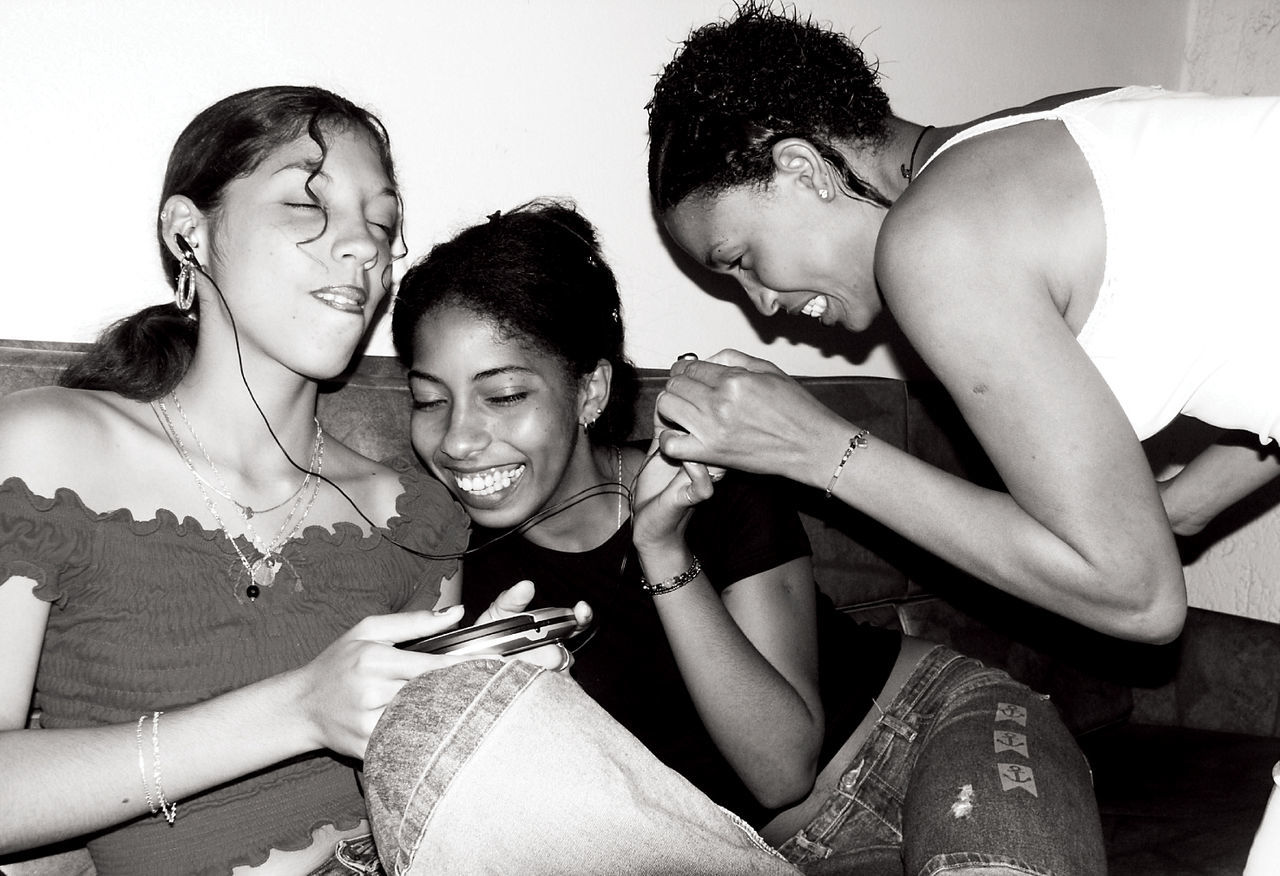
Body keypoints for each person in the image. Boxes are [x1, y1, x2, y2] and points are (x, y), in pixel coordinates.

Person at [386, 199, 1106, 874]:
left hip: (931, 732)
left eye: (504, 395)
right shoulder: (458, 568)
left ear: (590, 391)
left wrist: (664, 551)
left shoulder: (714, 478)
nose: (457, 439)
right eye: (429, 400)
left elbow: (781, 766)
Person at [0, 85, 557, 876]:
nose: (363, 246)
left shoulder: (413, 513)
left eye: (382, 222)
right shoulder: (48, 449)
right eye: (307, 203)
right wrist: (300, 709)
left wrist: (494, 712)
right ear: (188, 232)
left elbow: (429, 801)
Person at [645, 3, 1280, 646]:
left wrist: (812, 445)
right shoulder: (1040, 132)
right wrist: (1186, 505)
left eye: (742, 261)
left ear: (802, 170)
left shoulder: (933, 242)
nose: (760, 302)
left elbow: (1141, 598)